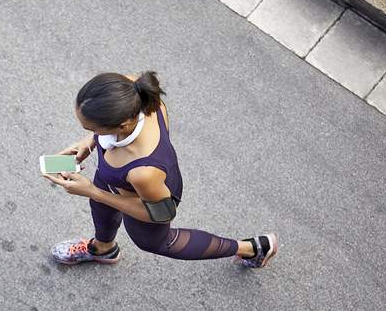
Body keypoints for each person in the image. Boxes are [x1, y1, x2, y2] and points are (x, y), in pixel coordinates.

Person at [42, 71, 278, 268]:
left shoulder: (143, 172)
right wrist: (89, 141)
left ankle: (252, 248)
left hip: (148, 195)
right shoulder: (132, 91)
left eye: (91, 127)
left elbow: (162, 214)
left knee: (157, 242)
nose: (89, 131)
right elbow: (105, 130)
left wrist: (93, 191)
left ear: (121, 125)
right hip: (117, 181)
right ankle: (102, 249)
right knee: (100, 206)